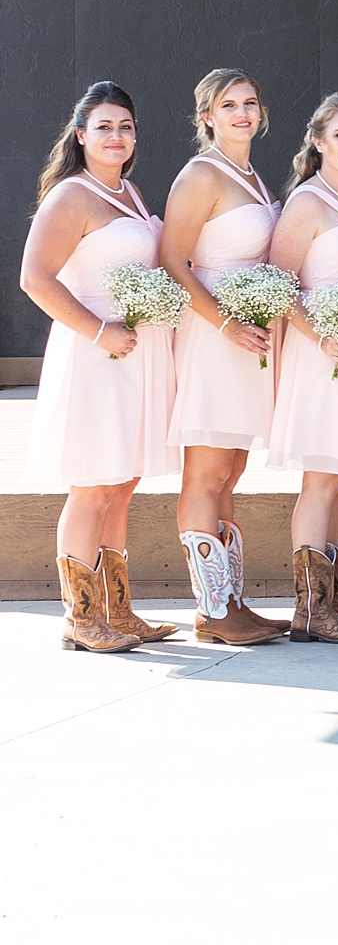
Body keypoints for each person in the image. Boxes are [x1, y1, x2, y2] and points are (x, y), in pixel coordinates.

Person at [20, 82, 179, 652]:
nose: (117, 137)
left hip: (136, 357)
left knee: (122, 481)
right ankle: (81, 618)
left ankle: (119, 610)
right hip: (94, 354)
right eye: (105, 127)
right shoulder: (71, 197)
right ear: (81, 135)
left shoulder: (131, 193)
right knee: (91, 483)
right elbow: (35, 279)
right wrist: (99, 331)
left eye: (126, 127)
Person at [161, 68, 286, 645]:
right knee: (207, 470)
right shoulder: (201, 175)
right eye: (228, 105)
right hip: (215, 335)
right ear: (206, 116)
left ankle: (230, 599)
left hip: (247, 336)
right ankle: (211, 609)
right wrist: (228, 322)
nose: (242, 113)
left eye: (250, 103)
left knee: (232, 470)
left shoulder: (253, 175)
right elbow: (172, 260)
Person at [265, 91, 338, 643]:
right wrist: (321, 337)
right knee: (321, 478)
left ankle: (332, 601)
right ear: (318, 142)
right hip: (320, 356)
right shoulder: (307, 203)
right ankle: (309, 610)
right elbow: (279, 281)